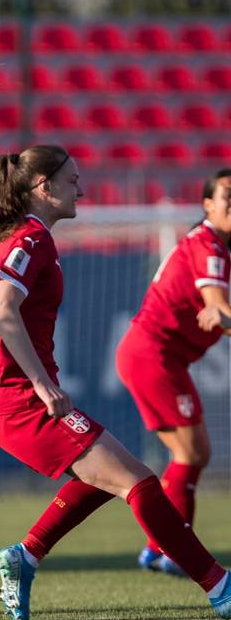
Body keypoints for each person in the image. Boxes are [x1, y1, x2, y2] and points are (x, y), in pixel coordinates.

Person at [0, 146, 231, 620]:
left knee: (112, 476)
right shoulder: (29, 241)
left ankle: (27, 555)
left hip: (9, 398)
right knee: (141, 482)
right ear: (44, 187)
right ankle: (220, 587)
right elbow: (0, 311)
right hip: (22, 401)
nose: (80, 189)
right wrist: (39, 386)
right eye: (72, 180)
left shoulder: (17, 240)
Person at [116, 167, 231, 576]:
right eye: (227, 196)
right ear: (207, 205)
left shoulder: (217, 245)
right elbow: (216, 304)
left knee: (193, 453)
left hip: (162, 356)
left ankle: (158, 548)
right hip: (152, 354)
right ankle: (169, 551)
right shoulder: (210, 246)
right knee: (190, 452)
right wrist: (218, 311)